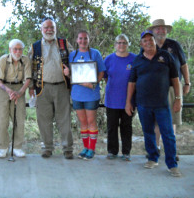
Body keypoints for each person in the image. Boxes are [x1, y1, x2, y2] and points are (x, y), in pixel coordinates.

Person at [125, 30, 182, 177]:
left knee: (168, 134)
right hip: (143, 104)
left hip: (162, 104)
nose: (148, 42)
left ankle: (172, 164)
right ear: (141, 44)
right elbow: (132, 83)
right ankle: (152, 158)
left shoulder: (166, 56)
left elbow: (175, 80)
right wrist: (128, 102)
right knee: (148, 132)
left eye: (151, 40)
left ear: (155, 41)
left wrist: (178, 99)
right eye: (145, 41)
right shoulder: (137, 60)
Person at [29, 17, 74, 159]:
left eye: (52, 27)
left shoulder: (64, 43)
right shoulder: (35, 46)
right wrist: (30, 87)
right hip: (42, 87)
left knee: (64, 119)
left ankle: (68, 149)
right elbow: (29, 67)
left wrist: (72, 73)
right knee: (44, 120)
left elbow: (75, 60)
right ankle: (47, 148)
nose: (49, 30)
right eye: (46, 27)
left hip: (62, 86)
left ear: (55, 29)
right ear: (41, 29)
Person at [147, 19, 191, 160]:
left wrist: (187, 83)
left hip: (174, 88)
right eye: (157, 28)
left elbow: (183, 65)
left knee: (172, 120)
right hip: (155, 89)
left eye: (163, 28)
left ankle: (171, 150)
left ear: (166, 30)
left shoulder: (174, 45)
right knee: (156, 121)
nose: (160, 31)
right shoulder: (148, 46)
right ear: (153, 31)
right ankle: (156, 149)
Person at [65, 30, 105, 160]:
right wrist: (67, 74)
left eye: (85, 39)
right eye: (80, 38)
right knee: (82, 122)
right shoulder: (73, 55)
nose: (83, 41)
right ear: (77, 40)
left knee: (91, 121)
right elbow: (73, 74)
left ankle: (91, 149)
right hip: (77, 94)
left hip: (91, 94)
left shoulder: (95, 53)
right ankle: (85, 148)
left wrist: (94, 84)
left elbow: (101, 72)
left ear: (89, 40)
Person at [0, 39, 31, 158]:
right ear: (10, 49)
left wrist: (20, 92)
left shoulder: (25, 60)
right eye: (15, 49)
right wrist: (9, 90)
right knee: (2, 120)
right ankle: (3, 147)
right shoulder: (3, 60)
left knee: (19, 120)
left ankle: (17, 147)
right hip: (4, 88)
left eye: (20, 49)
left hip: (19, 88)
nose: (18, 51)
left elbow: (28, 79)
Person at [104, 34, 136, 161]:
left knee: (126, 127)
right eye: (119, 42)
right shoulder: (109, 59)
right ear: (115, 44)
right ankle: (112, 151)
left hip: (129, 101)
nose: (121, 45)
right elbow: (105, 77)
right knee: (112, 127)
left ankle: (126, 152)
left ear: (128, 44)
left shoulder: (134, 59)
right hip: (112, 99)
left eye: (124, 42)